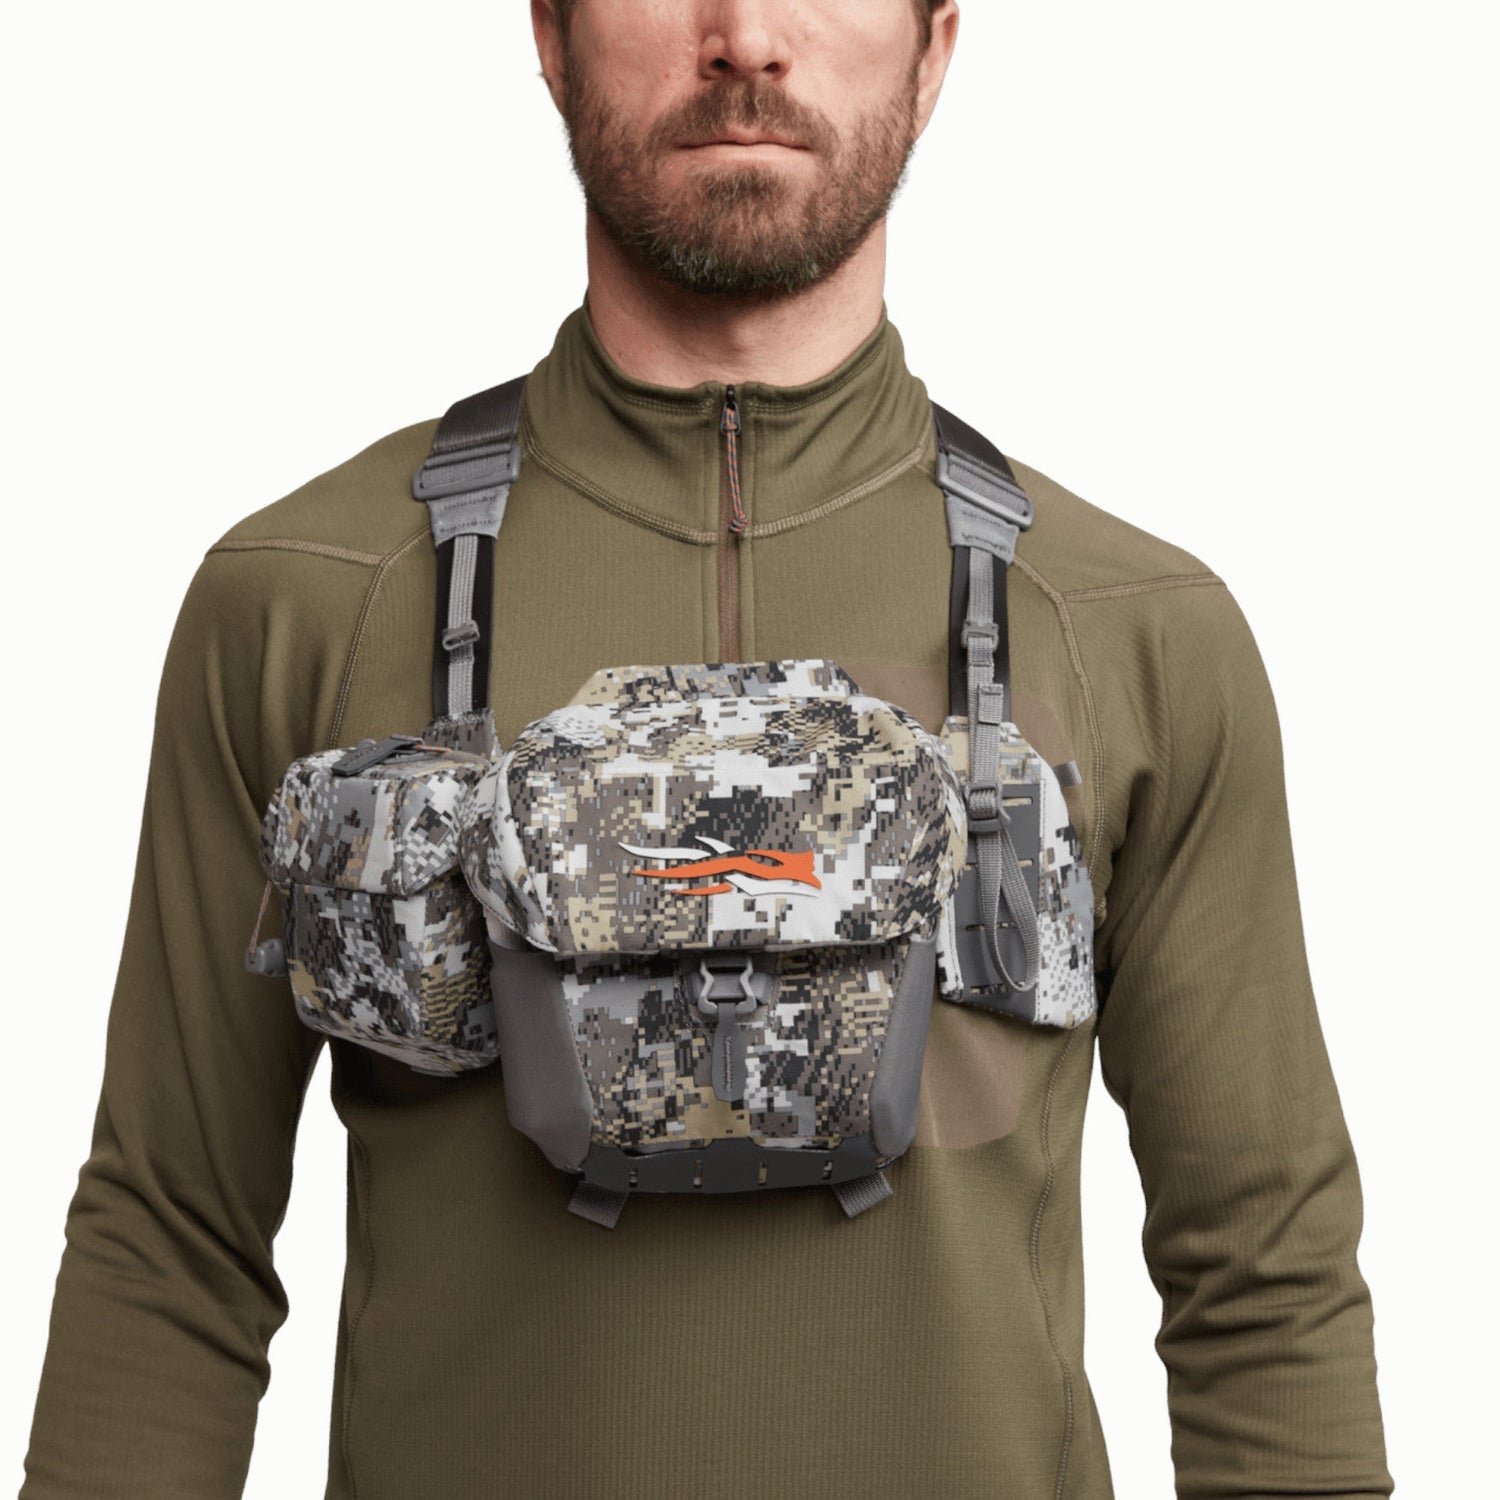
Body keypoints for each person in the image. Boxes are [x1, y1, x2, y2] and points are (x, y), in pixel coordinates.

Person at [22, 2, 1393, 1496]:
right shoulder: (303, 603)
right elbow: (171, 1245)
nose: (742, 35)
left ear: (935, 45)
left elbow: (1263, 1272)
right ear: (551, 34)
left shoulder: (1136, 636)